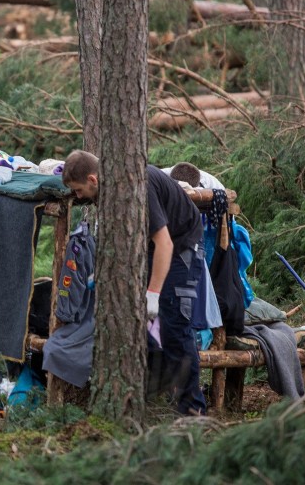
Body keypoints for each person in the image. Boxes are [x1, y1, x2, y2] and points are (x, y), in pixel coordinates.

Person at [61, 150, 207, 415]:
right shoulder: (110, 189)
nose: (78, 197)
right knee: (134, 321)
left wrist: (153, 294)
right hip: (154, 247)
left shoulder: (138, 186)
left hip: (182, 246)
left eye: (79, 190)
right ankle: (156, 389)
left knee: (176, 327)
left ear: (93, 179)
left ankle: (192, 411)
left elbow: (165, 243)